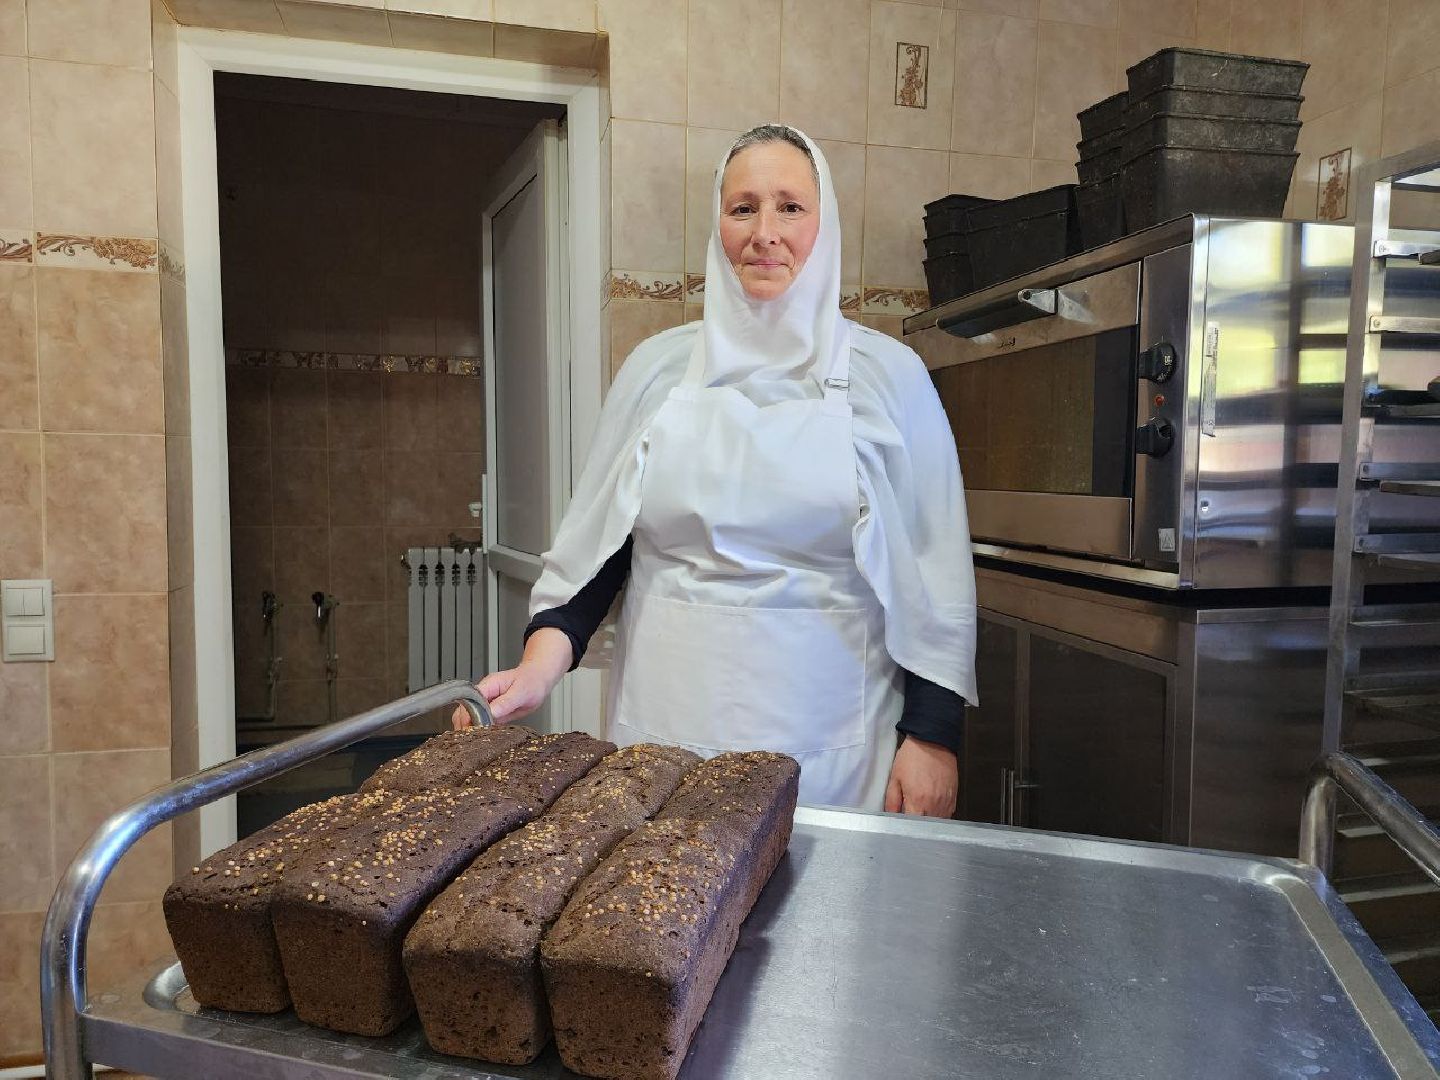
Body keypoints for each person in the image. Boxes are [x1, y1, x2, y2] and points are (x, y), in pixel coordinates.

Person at [455, 124, 977, 817]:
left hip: (833, 752)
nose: (765, 231)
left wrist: (934, 738)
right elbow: (602, 549)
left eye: (790, 206)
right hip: (665, 739)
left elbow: (934, 566)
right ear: (718, 225)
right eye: (742, 208)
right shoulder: (657, 371)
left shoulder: (890, 378)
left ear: (824, 224)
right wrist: (538, 667)